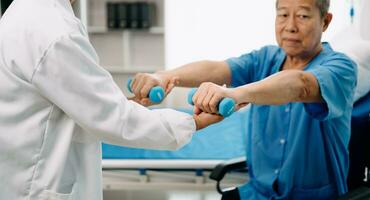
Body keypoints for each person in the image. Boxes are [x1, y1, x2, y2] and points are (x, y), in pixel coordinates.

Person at [130, 0, 357, 199]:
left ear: (325, 22)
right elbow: (218, 68)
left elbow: (302, 86)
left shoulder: (341, 68)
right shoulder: (265, 58)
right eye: (283, 15)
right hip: (258, 194)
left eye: (303, 16)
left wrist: (235, 94)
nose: (290, 26)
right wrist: (165, 76)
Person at [0, 0, 223, 199]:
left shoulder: (25, 14)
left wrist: (126, 104)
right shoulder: (53, 31)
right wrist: (192, 122)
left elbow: (75, 104)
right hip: (36, 184)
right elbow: (114, 119)